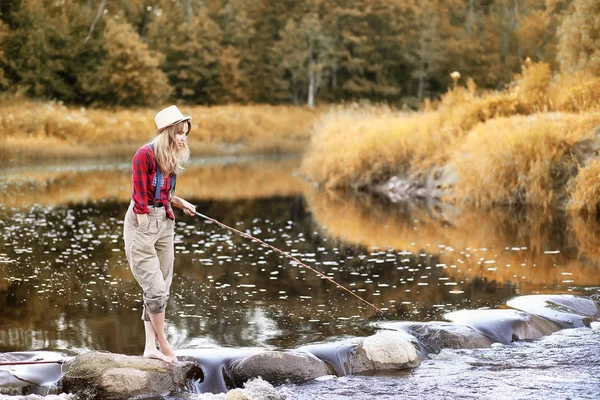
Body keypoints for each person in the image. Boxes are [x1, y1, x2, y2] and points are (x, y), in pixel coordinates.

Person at [123, 105, 196, 363]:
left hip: (165, 221)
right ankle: (164, 345)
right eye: (179, 133)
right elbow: (140, 195)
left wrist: (180, 202)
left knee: (162, 288)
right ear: (167, 132)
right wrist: (144, 225)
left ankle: (149, 348)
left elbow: (162, 194)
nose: (183, 138)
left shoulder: (171, 155)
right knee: (154, 289)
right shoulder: (144, 155)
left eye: (185, 133)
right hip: (143, 222)